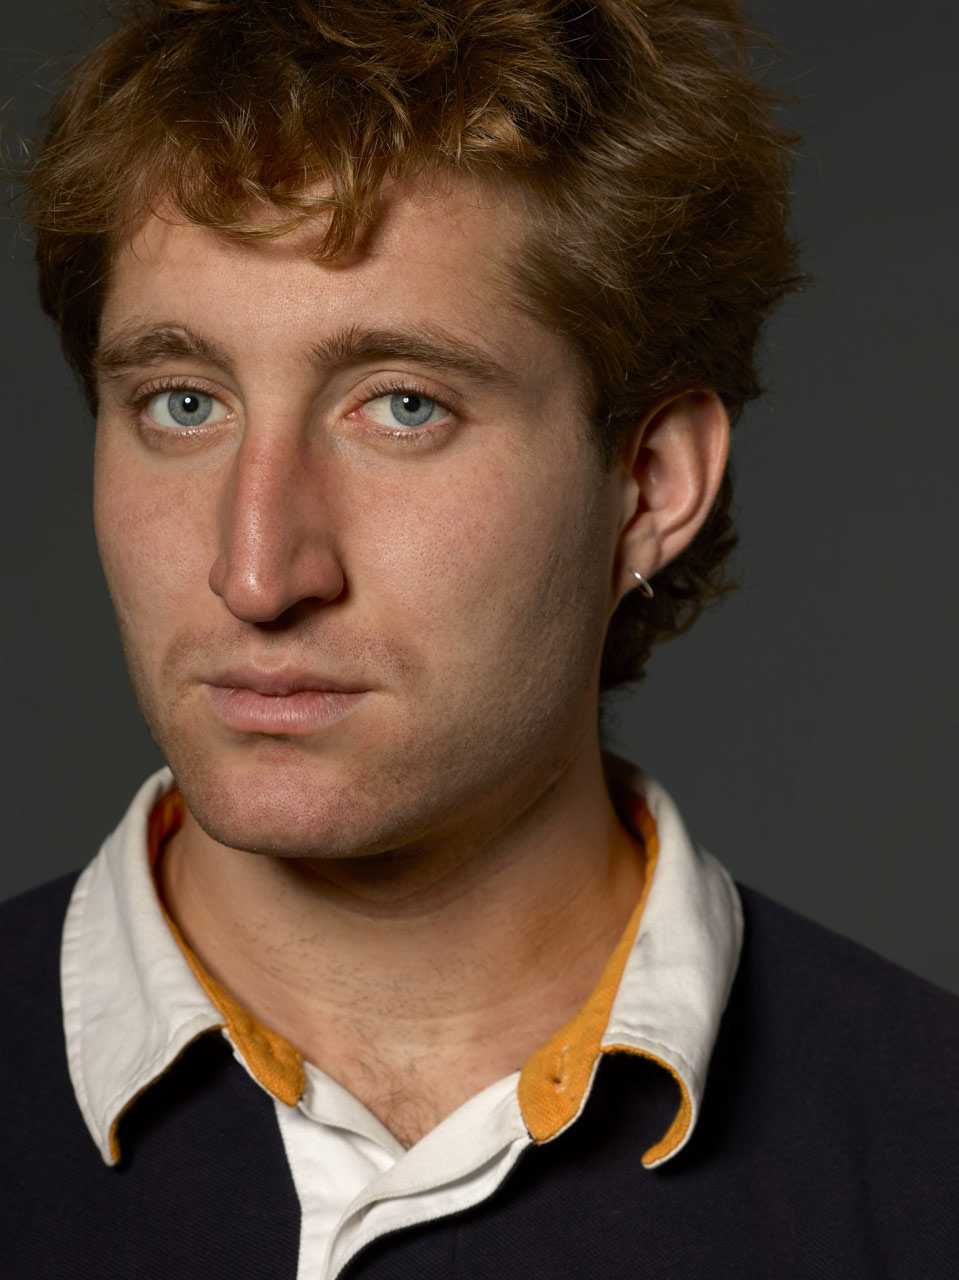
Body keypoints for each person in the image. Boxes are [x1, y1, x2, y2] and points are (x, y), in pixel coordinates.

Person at [2, 1, 956, 1277]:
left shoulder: (926, 1153)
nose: (255, 570)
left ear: (649, 483)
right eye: (184, 402)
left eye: (403, 405)